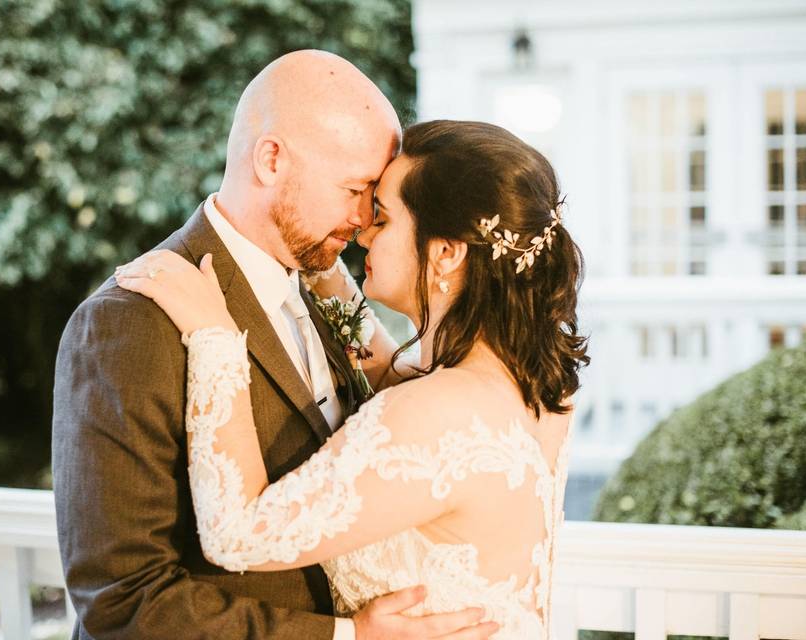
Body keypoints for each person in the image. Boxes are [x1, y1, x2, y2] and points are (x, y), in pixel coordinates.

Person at [53, 50, 496, 639]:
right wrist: (347, 636)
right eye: (354, 188)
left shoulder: (324, 290)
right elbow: (123, 603)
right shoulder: (127, 323)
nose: (366, 220)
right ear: (270, 159)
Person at [114, 119, 590, 638]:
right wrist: (321, 260)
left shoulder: (434, 411)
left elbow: (236, 535)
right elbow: (390, 371)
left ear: (446, 252)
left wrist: (213, 336)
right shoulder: (536, 388)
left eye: (382, 219)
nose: (362, 231)